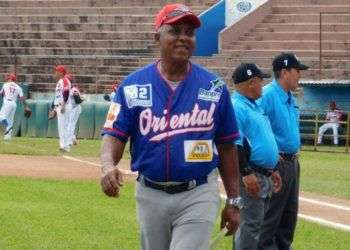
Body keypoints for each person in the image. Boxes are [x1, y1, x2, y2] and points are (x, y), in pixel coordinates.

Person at [100, 4, 241, 250]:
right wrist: (107, 165)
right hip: (150, 192)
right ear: (158, 36)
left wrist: (234, 200)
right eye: (175, 31)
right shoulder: (133, 86)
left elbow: (227, 146)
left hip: (198, 191)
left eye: (189, 32)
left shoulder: (214, 88)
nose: (183, 38)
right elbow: (114, 134)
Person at [257, 53, 309, 250]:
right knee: (271, 217)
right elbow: (255, 125)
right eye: (297, 71)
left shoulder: (289, 97)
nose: (299, 75)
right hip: (276, 163)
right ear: (284, 72)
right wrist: (272, 151)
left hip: (293, 162)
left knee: (289, 216)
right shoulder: (268, 94)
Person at [231, 63, 282, 250]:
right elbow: (234, 145)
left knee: (255, 226)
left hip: (263, 173)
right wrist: (246, 173)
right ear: (252, 83)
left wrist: (272, 170)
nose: (263, 85)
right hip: (251, 174)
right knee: (250, 227)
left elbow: (260, 140)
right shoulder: (237, 107)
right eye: (261, 81)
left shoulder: (253, 106)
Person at [0, 73, 29, 140]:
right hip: (14, 104)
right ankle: (7, 137)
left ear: (10, 79)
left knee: (1, 117)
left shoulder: (5, 84)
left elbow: (1, 94)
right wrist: (26, 106)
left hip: (7, 102)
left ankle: (5, 122)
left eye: (8, 78)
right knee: (11, 120)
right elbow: (22, 98)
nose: (7, 80)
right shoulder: (19, 87)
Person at [53, 65, 72, 152]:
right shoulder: (61, 80)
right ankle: (65, 146)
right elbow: (58, 96)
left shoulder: (64, 80)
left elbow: (66, 91)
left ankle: (64, 146)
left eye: (57, 71)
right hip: (60, 105)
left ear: (61, 72)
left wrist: (63, 105)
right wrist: (54, 109)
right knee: (63, 126)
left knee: (63, 126)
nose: (55, 72)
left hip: (64, 105)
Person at [66, 74, 83, 146]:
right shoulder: (66, 89)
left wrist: (81, 98)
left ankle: (69, 141)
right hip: (70, 108)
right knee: (67, 124)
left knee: (71, 124)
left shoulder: (73, 89)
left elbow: (78, 100)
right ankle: (72, 139)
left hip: (75, 108)